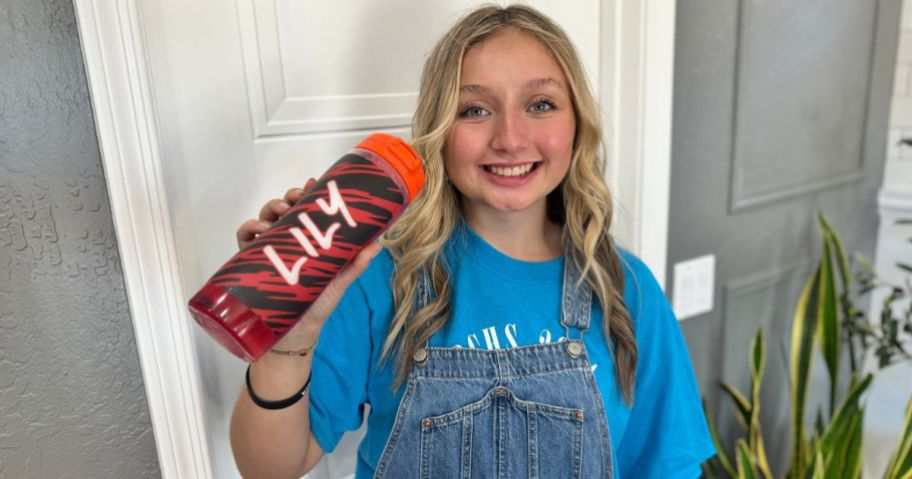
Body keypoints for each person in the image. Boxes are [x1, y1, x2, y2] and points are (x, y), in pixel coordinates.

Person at [229, 4, 715, 478]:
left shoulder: (625, 289)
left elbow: (667, 466)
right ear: (440, 131)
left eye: (540, 104)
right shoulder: (377, 274)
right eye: (475, 109)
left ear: (576, 124)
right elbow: (271, 469)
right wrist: (288, 340)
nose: (510, 138)